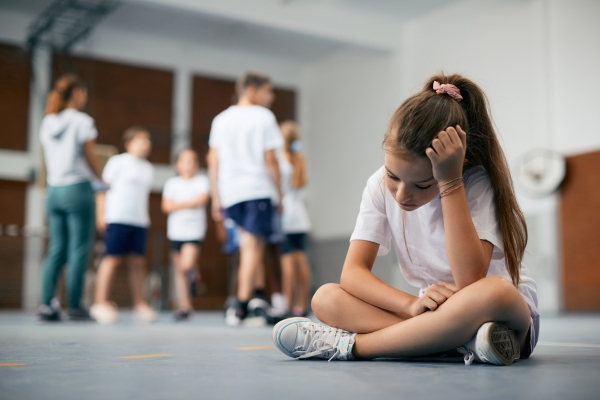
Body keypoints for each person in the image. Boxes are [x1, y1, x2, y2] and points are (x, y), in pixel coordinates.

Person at [272, 74, 539, 366]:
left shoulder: (474, 182)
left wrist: (450, 182)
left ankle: (354, 346)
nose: (402, 194)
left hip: (497, 313)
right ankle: (459, 342)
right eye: (392, 176)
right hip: (434, 314)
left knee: (494, 291)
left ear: (455, 164)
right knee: (325, 298)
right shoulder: (376, 186)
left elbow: (470, 280)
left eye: (422, 185)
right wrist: (410, 304)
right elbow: (353, 273)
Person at [207, 71, 285, 326]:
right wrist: (280, 192)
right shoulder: (263, 117)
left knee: (252, 243)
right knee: (253, 246)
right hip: (256, 189)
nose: (271, 97)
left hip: (231, 193)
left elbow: (213, 159)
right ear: (252, 91)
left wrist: (216, 196)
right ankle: (240, 304)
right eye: (268, 91)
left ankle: (258, 298)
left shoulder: (220, 119)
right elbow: (271, 159)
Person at [38, 74, 103, 321]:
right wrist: (101, 179)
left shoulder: (48, 121)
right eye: (83, 93)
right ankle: (75, 305)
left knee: (56, 248)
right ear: (76, 94)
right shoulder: (82, 121)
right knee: (79, 248)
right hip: (77, 189)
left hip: (53, 190)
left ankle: (47, 304)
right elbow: (89, 154)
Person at [90, 127, 157, 324]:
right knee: (111, 259)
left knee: (138, 262)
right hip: (117, 217)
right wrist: (101, 214)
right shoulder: (117, 162)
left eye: (148, 140)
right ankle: (100, 302)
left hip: (139, 220)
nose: (146, 144)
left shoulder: (148, 168)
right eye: (141, 140)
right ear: (129, 143)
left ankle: (140, 304)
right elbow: (102, 189)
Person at [161, 149, 210, 321]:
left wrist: (178, 204)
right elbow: (166, 207)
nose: (189, 165)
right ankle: (185, 306)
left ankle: (194, 276)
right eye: (185, 161)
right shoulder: (172, 183)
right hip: (176, 231)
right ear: (177, 164)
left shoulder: (202, 181)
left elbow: (202, 199)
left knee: (186, 265)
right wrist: (190, 203)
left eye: (193, 161)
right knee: (179, 271)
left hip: (194, 231)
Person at [278, 121, 312, 317]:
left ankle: (288, 305)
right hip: (301, 216)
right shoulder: (299, 159)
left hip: (286, 216)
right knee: (301, 259)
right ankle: (301, 304)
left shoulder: (281, 161)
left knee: (287, 261)